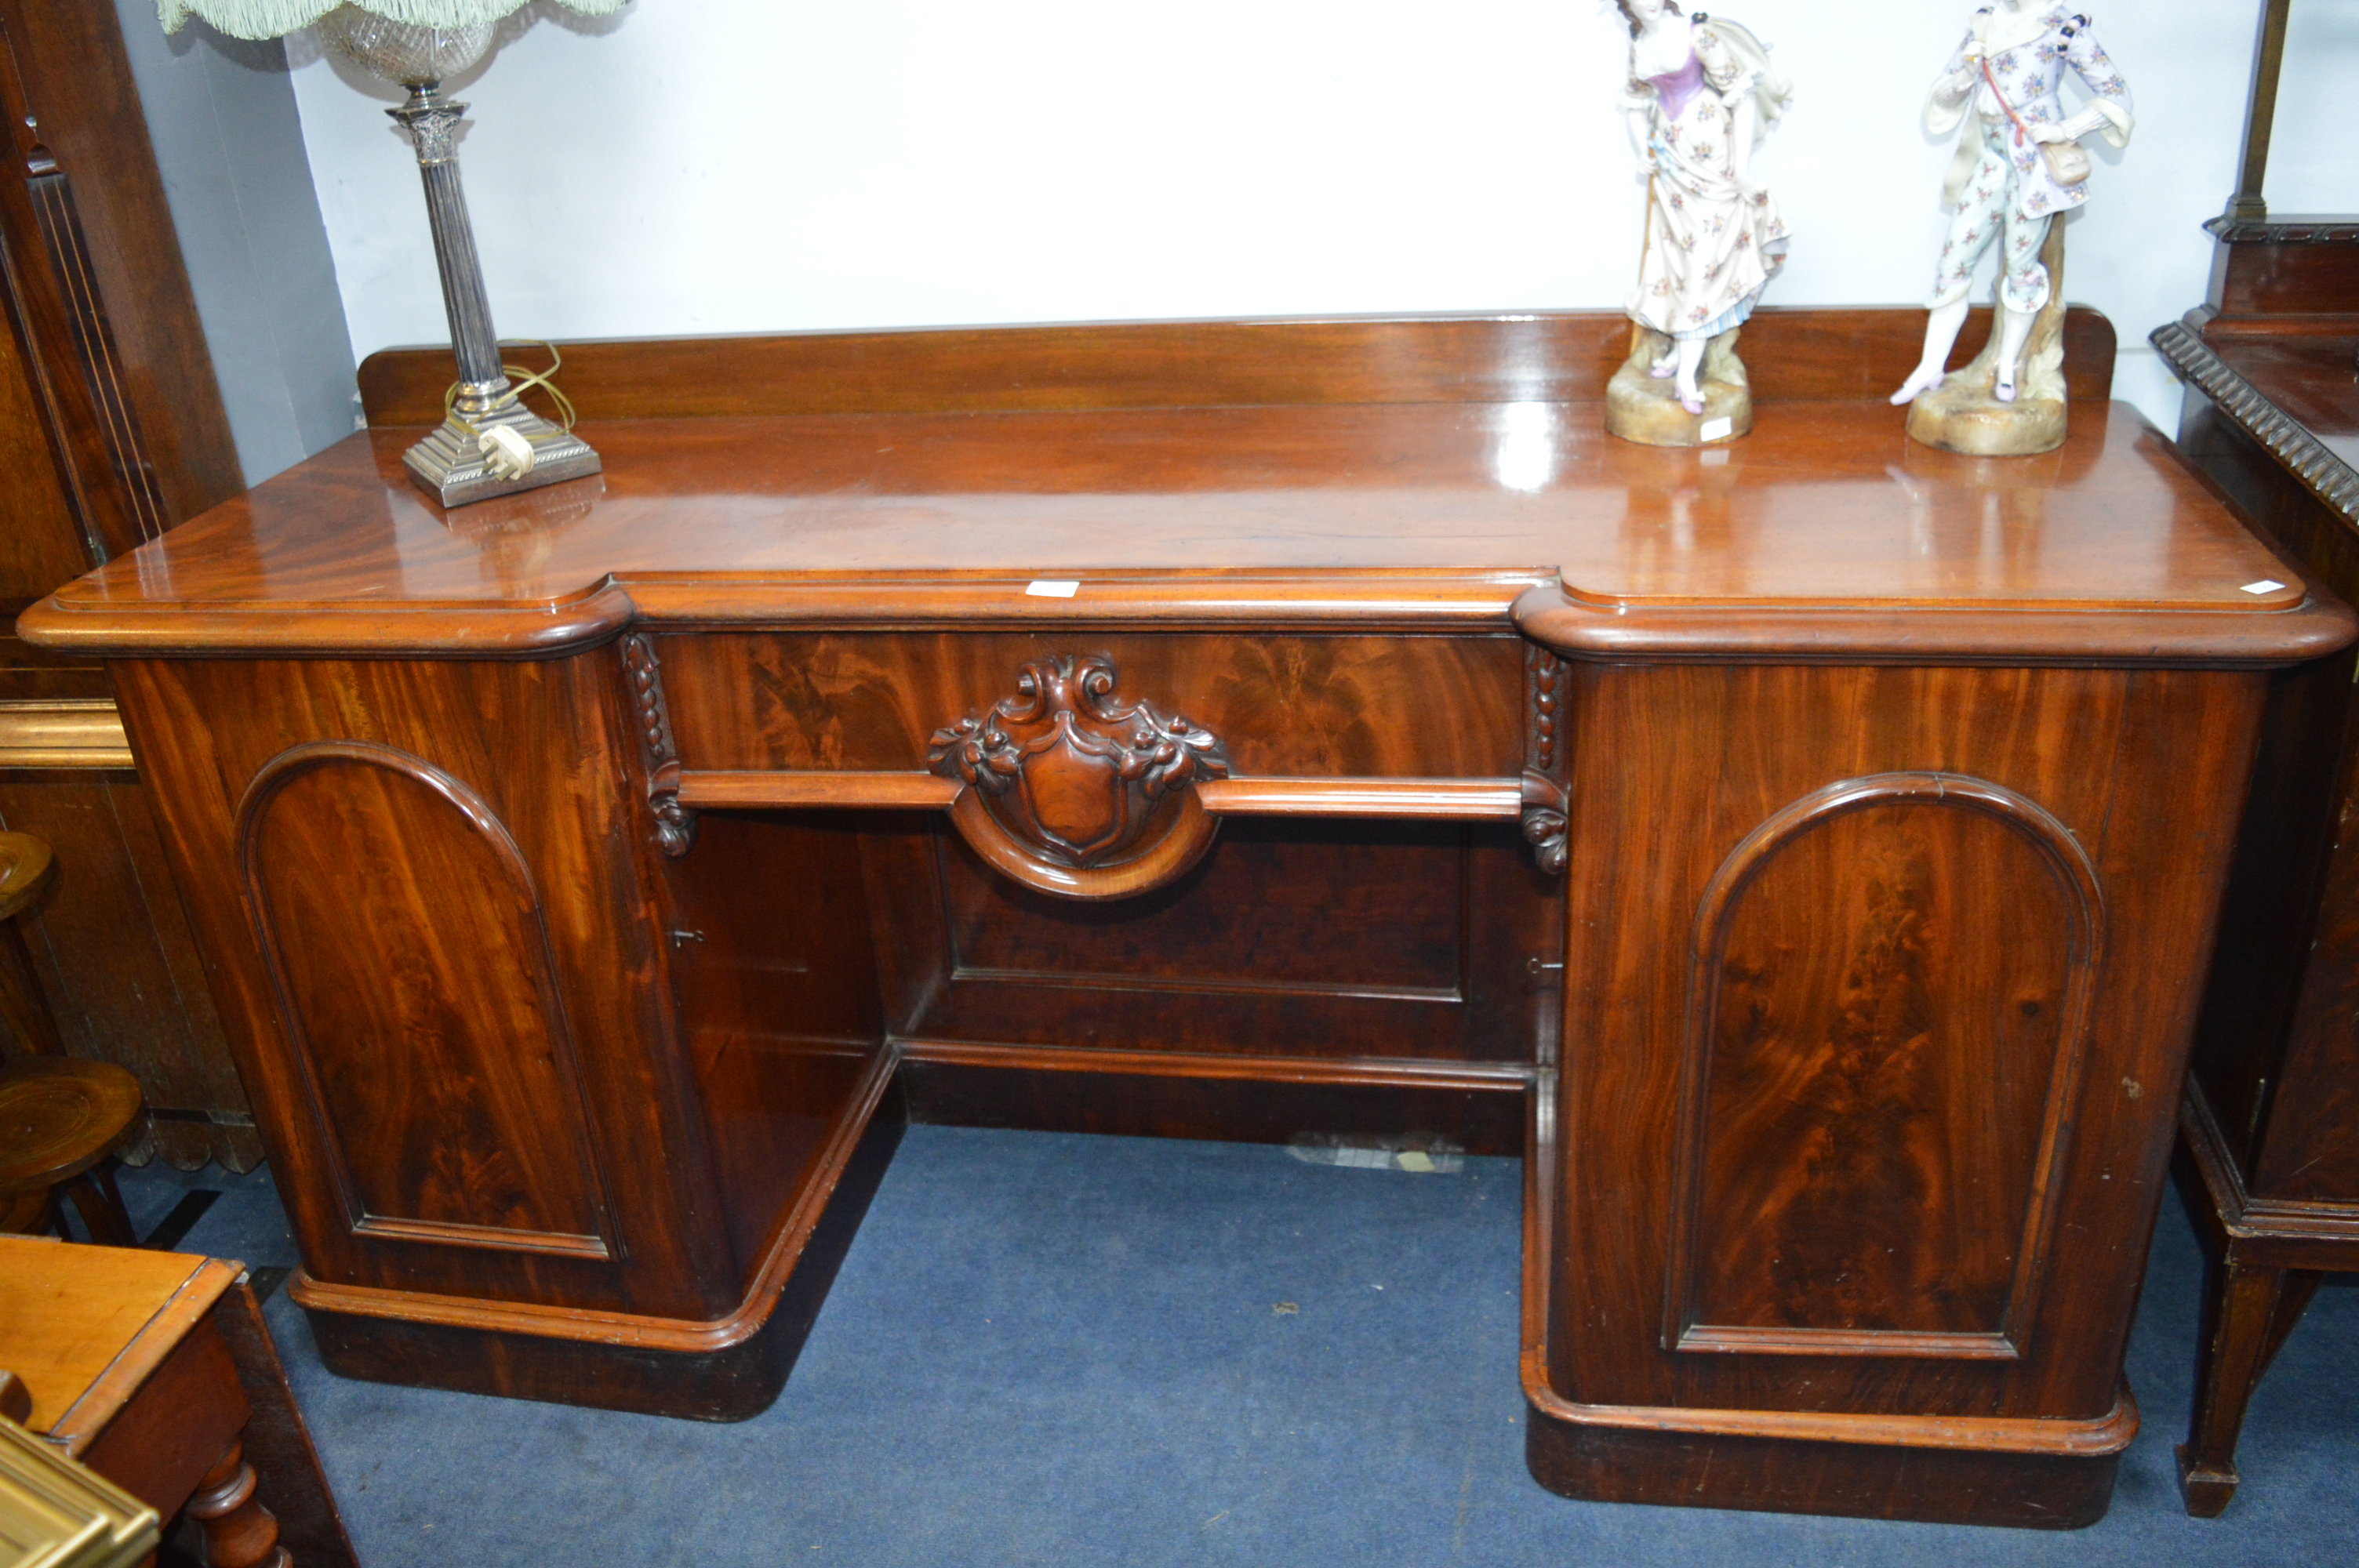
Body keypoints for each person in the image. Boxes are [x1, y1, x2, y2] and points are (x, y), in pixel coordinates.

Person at [1891, 2, 2132, 407]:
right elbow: (1948, 91)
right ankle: (1929, 367)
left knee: (2022, 268)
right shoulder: (1985, 21)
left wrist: (2064, 129)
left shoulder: (2063, 27)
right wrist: (1967, 75)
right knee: (1954, 263)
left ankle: (2008, 368)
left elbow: (2117, 94)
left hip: (2033, 166)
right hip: (1989, 159)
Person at [1618, 0, 1792, 415]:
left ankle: (1686, 374)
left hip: (1713, 155)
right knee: (1675, 262)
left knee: (1704, 263)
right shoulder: (1640, 45)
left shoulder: (1696, 34)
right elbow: (1635, 106)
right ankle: (1683, 351)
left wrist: (1742, 170)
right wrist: (1645, 149)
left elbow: (1742, 99)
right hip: (1672, 166)